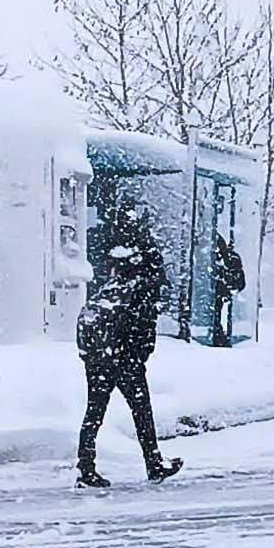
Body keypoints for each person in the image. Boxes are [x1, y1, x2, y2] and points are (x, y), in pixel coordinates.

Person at [75, 204, 182, 488]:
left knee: (94, 410)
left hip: (100, 356)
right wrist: (137, 353)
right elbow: (140, 326)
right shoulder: (141, 285)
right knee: (141, 410)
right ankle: (153, 462)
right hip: (125, 359)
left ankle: (86, 467)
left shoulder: (116, 281)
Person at [212, 234, 246, 346]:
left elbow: (240, 282)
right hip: (221, 295)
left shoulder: (228, 258)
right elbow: (240, 282)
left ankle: (220, 336)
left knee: (219, 315)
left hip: (221, 295)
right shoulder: (231, 258)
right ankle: (220, 336)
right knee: (219, 315)